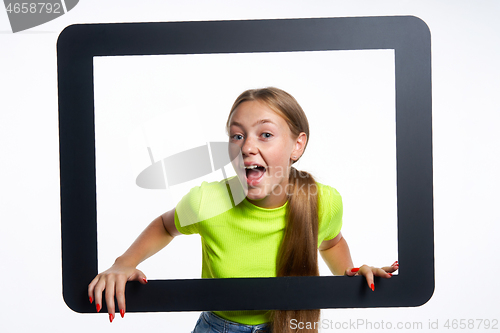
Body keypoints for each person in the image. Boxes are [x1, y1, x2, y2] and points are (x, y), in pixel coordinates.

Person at [88, 87, 399, 332]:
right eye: (237, 135)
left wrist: (352, 275)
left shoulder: (324, 201)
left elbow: (331, 241)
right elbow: (166, 225)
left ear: (297, 145)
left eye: (265, 134)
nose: (247, 146)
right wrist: (123, 263)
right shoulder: (206, 201)